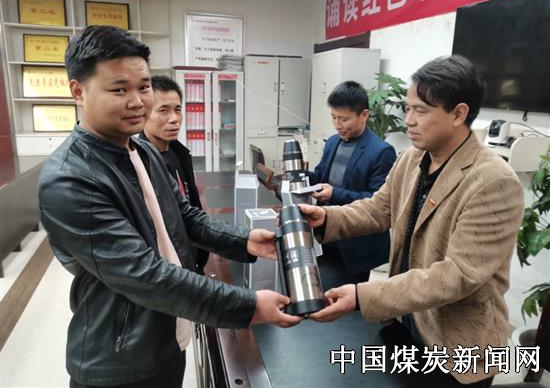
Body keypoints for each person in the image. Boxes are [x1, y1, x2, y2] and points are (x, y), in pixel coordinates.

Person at [38, 25, 301, 388]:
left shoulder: (142, 151)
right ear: (78, 91)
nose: (137, 101)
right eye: (119, 90)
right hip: (119, 361)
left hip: (165, 334)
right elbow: (143, 275)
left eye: (144, 87)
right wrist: (247, 306)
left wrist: (244, 241)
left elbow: (185, 217)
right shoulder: (69, 179)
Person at [300, 55, 524, 387]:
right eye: (407, 109)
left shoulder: (493, 181)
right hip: (406, 322)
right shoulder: (412, 158)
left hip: (455, 347)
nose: (409, 120)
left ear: (458, 114)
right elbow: (378, 209)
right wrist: (325, 218)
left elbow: (457, 275)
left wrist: (363, 296)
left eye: (421, 110)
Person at [306, 81, 396, 283]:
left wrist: (334, 193)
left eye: (344, 119)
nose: (337, 124)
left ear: (364, 115)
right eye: (333, 117)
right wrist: (301, 176)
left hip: (357, 246)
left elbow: (378, 202)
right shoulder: (333, 142)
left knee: (348, 298)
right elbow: (320, 175)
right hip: (328, 235)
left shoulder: (381, 152)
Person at [139, 75, 209, 274]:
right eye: (163, 110)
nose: (174, 119)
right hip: (168, 269)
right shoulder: (138, 162)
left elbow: (189, 208)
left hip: (192, 257)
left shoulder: (178, 152)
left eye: (177, 109)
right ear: (144, 113)